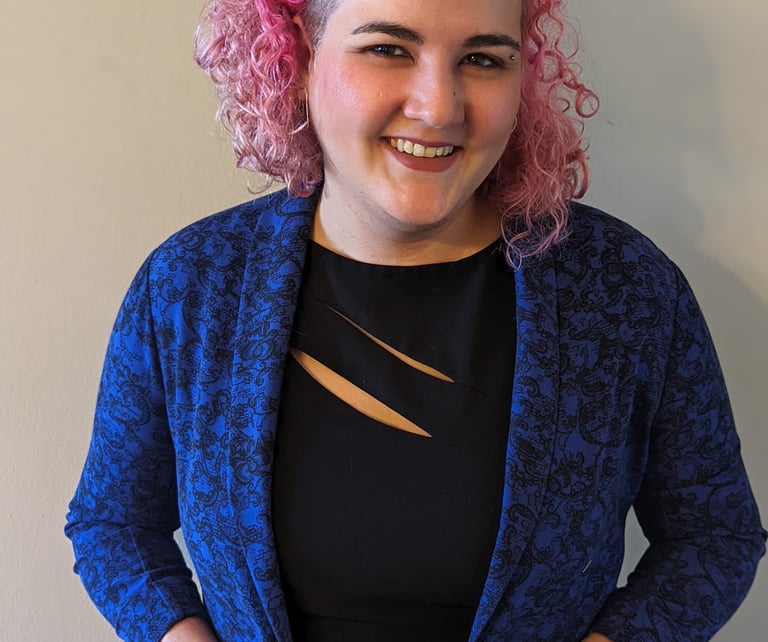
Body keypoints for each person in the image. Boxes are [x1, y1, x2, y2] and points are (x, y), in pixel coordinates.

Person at [65, 0, 766, 640]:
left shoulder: (625, 292)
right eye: (388, 50)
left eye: (483, 59)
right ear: (300, 57)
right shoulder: (191, 286)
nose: (438, 107)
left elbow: (715, 536)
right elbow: (114, 524)